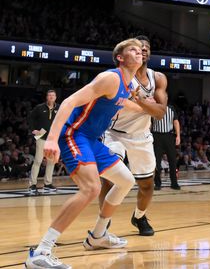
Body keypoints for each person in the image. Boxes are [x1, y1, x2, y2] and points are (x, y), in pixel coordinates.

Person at [25, 39, 145, 269]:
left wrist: (154, 107)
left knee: (126, 180)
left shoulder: (129, 87)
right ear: (120, 57)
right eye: (133, 50)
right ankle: (40, 252)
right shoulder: (110, 78)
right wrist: (52, 138)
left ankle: (98, 236)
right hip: (74, 134)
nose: (139, 53)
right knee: (91, 189)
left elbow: (135, 107)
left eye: (141, 51)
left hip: (92, 141)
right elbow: (69, 102)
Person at [100, 35, 167, 237]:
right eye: (138, 48)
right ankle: (103, 221)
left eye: (146, 47)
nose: (143, 50)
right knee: (110, 180)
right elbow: (152, 109)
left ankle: (139, 216)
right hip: (115, 134)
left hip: (142, 136)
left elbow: (161, 113)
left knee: (147, 185)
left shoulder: (158, 78)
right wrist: (148, 105)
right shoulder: (120, 76)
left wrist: (139, 100)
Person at [27, 89, 59, 194]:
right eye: (49, 95)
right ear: (47, 97)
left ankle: (48, 183)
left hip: (53, 137)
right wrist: (33, 129)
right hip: (41, 135)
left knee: (51, 161)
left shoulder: (59, 108)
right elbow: (30, 118)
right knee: (38, 160)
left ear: (55, 97)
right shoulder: (39, 108)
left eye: (53, 95)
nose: (51, 97)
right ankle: (32, 184)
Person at [151, 104, 180, 190]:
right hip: (156, 136)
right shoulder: (153, 107)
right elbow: (149, 122)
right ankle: (157, 183)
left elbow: (176, 121)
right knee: (157, 161)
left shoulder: (171, 108)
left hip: (169, 136)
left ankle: (174, 183)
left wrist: (178, 135)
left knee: (172, 160)